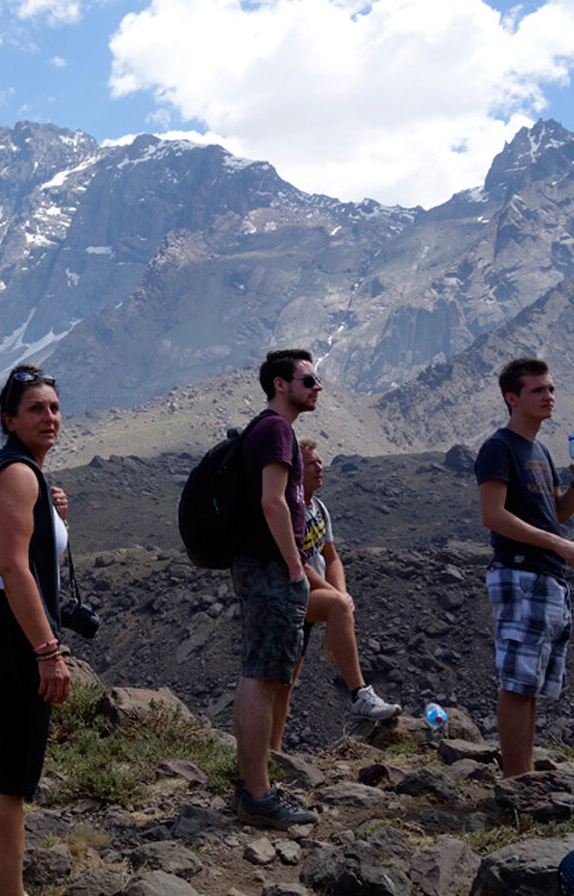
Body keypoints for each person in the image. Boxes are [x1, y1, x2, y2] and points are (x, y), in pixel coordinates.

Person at [0, 364, 71, 896]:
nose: (48, 416)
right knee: (10, 781)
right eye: (35, 408)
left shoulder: (19, 472)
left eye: (53, 407)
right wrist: (47, 650)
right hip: (10, 630)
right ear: (10, 418)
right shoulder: (20, 473)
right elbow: (12, 568)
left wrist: (53, 515)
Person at [476, 357, 574, 777]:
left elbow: (555, 513)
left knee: (530, 685)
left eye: (551, 389)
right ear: (512, 398)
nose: (549, 397)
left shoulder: (540, 450)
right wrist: (557, 544)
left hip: (547, 574)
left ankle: (522, 777)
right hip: (520, 570)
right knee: (517, 682)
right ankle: (515, 781)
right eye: (538, 390)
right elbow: (493, 515)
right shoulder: (500, 446)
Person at [229, 349, 320, 829]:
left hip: (260, 565)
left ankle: (252, 785)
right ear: (281, 384)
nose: (317, 386)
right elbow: (272, 502)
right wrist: (294, 564)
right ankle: (257, 794)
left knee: (260, 674)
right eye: (308, 378)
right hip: (270, 566)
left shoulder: (264, 429)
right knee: (263, 677)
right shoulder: (277, 430)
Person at [270, 440, 400, 751]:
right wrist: (336, 602)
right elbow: (300, 563)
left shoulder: (319, 507)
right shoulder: (291, 508)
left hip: (309, 599)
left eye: (320, 462)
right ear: (296, 470)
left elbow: (331, 557)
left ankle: (272, 754)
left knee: (285, 685)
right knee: (279, 683)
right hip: (287, 597)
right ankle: (360, 694)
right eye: (311, 463)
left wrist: (340, 597)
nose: (320, 468)